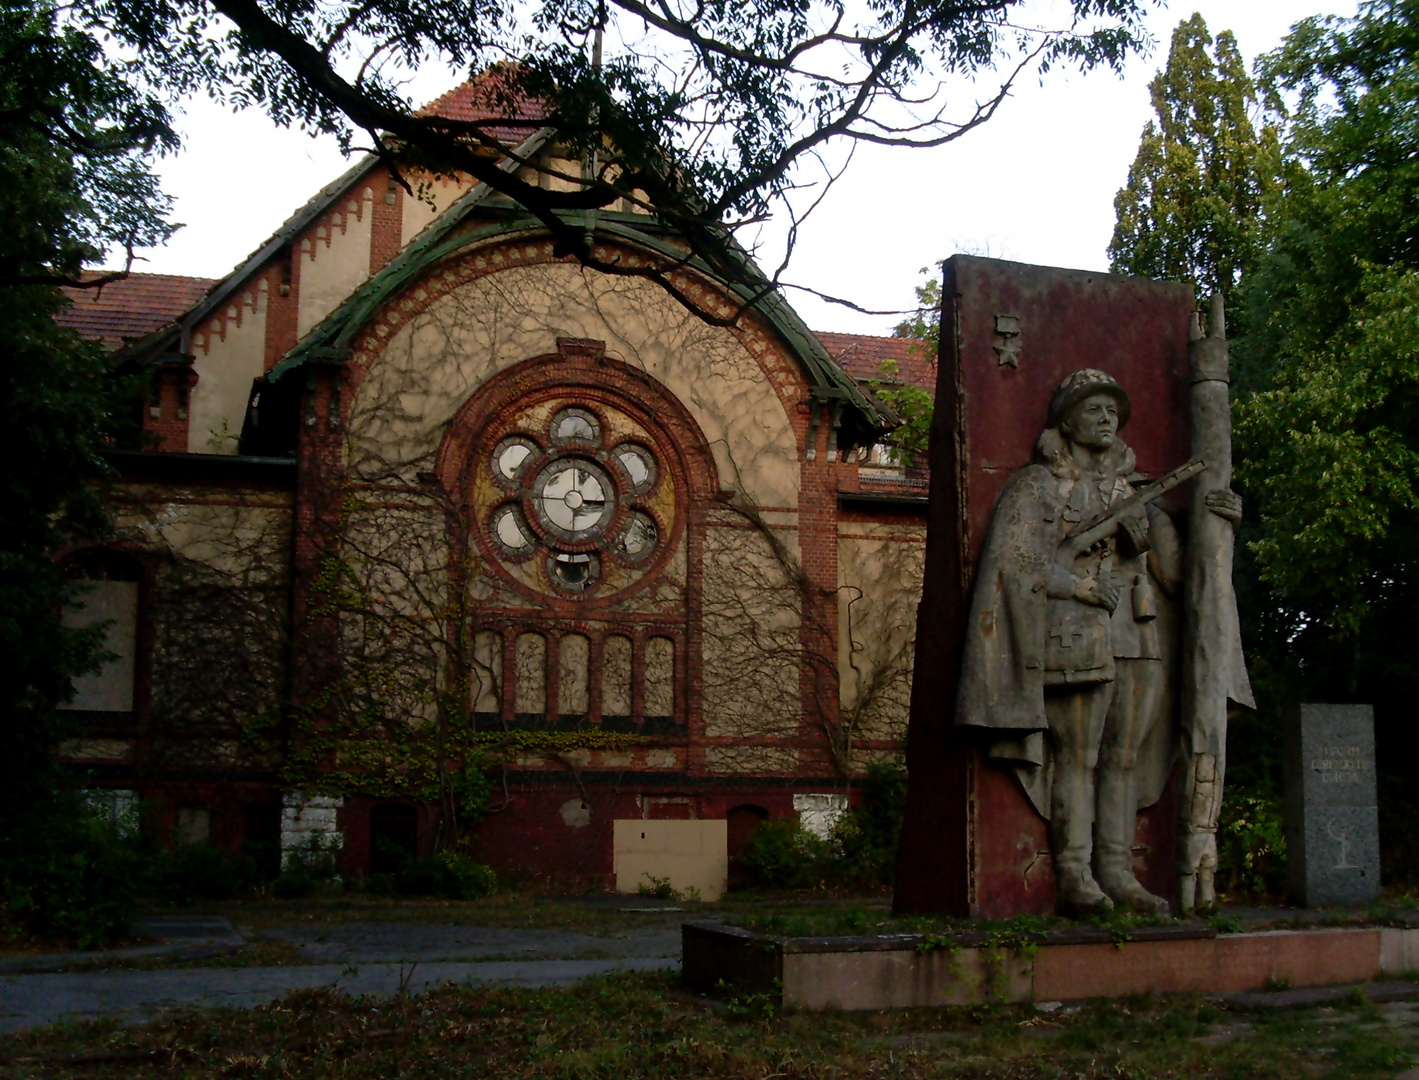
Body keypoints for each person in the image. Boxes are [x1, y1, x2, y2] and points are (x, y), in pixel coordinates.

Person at [955, 368, 1240, 915]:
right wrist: (1079, 585)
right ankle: (1076, 874)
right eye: (1093, 408)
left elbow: (1183, 579)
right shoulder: (1037, 487)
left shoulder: (1136, 495)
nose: (1107, 417)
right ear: (1066, 420)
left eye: (1114, 410)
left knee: (1124, 758)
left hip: (1137, 634)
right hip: (1073, 635)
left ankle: (1117, 872)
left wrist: (1221, 525)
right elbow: (1018, 566)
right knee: (1078, 758)